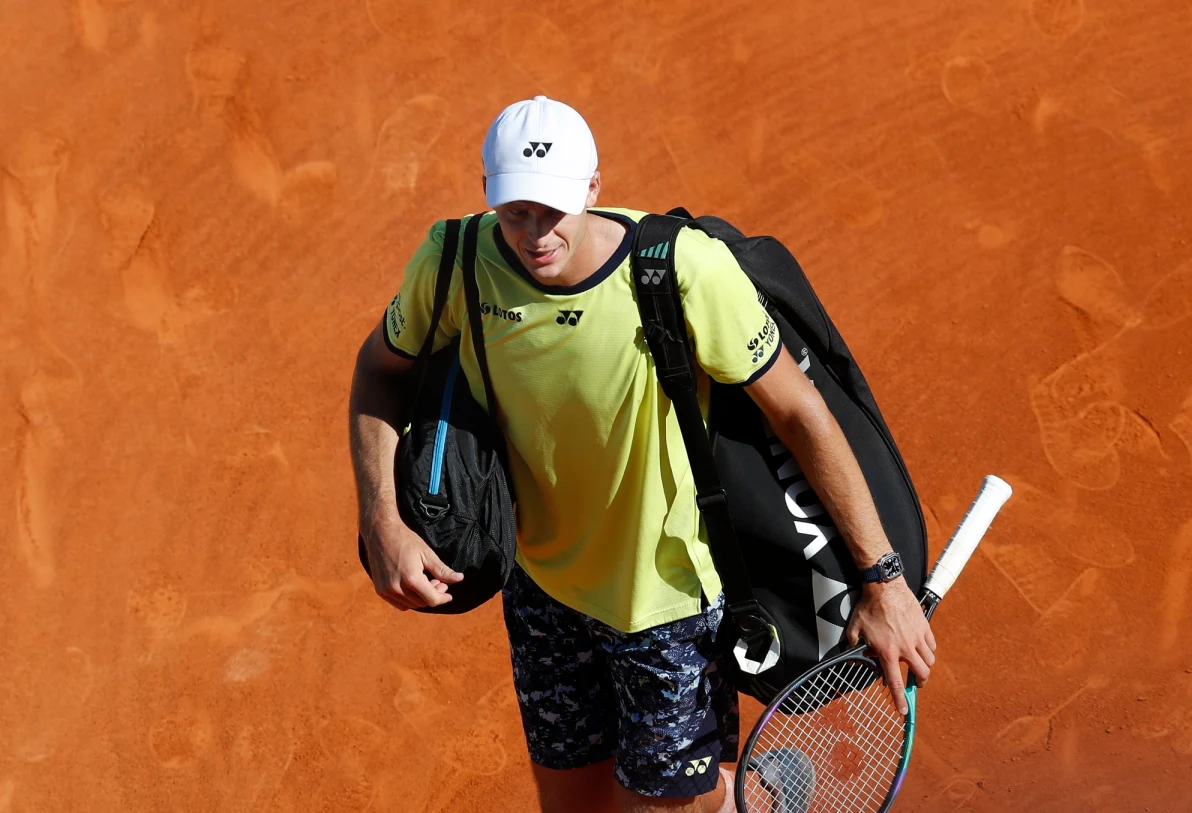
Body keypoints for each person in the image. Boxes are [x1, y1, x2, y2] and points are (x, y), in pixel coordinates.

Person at [348, 95, 936, 813]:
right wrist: (381, 516)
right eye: (517, 212)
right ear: (488, 197)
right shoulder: (454, 261)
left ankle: (762, 794)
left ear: (594, 188)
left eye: (555, 210)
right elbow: (381, 367)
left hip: (668, 604)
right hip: (543, 596)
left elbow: (800, 412)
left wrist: (884, 580)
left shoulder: (682, 271)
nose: (536, 235)